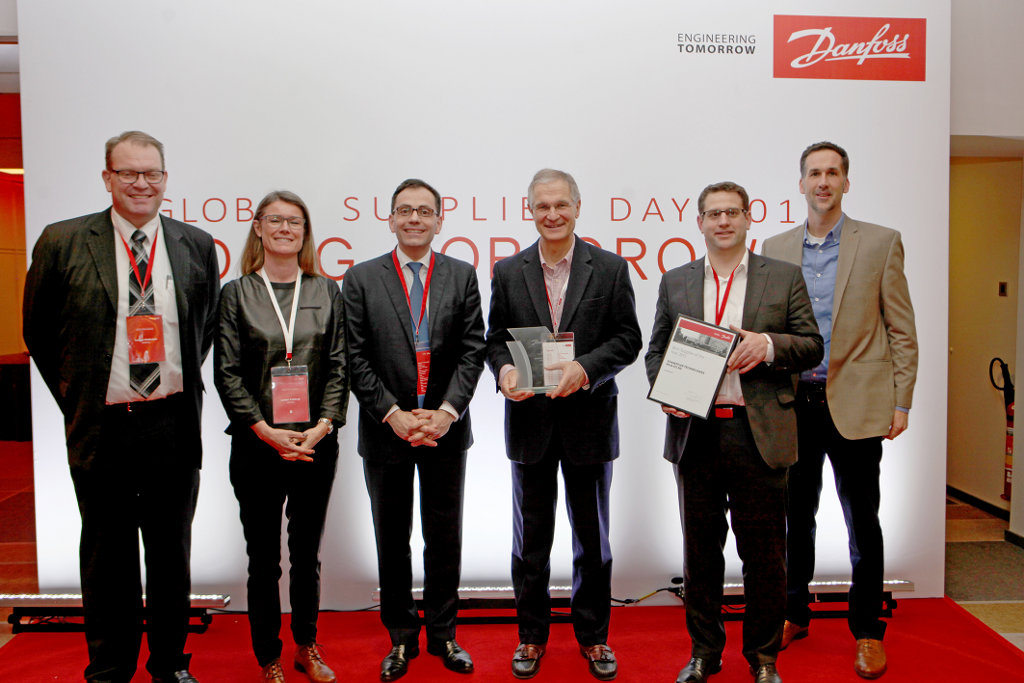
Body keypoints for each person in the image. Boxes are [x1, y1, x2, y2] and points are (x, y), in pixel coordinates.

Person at [22, 131, 220, 683]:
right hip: (103, 425)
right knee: (106, 556)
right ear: (107, 177)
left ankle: (169, 664)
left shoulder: (195, 244)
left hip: (171, 423)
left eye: (151, 173)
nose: (141, 183)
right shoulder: (63, 241)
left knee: (170, 554)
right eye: (128, 173)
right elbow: (39, 331)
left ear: (165, 178)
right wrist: (80, 395)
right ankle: (109, 668)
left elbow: (202, 330)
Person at [645, 181, 822, 683]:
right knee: (700, 556)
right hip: (696, 436)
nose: (723, 221)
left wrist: (767, 345)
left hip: (759, 434)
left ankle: (763, 657)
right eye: (713, 213)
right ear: (699, 222)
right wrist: (667, 390)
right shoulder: (676, 280)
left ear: (748, 218)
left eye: (732, 212)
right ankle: (705, 653)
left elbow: (812, 345)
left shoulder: (783, 277)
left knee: (765, 556)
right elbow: (656, 351)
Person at [762, 142, 918, 680]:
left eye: (833, 173)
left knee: (862, 521)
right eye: (814, 173)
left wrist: (901, 400)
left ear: (846, 183)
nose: (823, 181)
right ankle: (793, 613)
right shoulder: (775, 247)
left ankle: (868, 630)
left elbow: (901, 329)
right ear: (801, 184)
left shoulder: (880, 242)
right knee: (794, 518)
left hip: (856, 403)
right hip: (792, 403)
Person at [486, 168, 642, 681]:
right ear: (529, 210)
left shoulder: (610, 268)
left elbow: (628, 339)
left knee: (592, 541)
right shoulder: (508, 271)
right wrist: (504, 371)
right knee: (530, 542)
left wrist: (587, 369)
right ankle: (531, 636)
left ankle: (594, 637)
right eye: (542, 206)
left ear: (577, 207)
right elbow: (494, 340)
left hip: (589, 422)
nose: (552, 214)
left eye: (561, 205)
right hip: (529, 424)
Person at [342, 178, 485, 682]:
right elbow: (354, 356)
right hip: (387, 432)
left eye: (425, 211)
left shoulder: (461, 275)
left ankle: (444, 634)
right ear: (390, 219)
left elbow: (473, 350)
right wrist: (393, 413)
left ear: (440, 220)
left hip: (445, 430)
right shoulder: (361, 278)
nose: (415, 219)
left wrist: (447, 412)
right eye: (405, 211)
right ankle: (401, 637)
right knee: (392, 538)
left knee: (444, 537)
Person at [214, 191, 348, 683]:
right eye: (276, 220)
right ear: (258, 227)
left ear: (305, 231)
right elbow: (227, 372)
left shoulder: (327, 291)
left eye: (295, 221)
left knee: (307, 555)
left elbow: (339, 366)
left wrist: (323, 426)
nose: (285, 229)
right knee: (263, 559)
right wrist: (264, 429)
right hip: (257, 445)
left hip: (314, 445)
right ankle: (268, 655)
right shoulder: (236, 294)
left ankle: (306, 646)